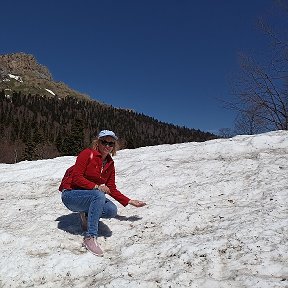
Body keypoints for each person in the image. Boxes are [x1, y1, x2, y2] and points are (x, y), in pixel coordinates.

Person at [59, 130, 146, 256]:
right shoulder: (87, 154)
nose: (107, 146)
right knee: (98, 194)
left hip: (89, 196)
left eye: (111, 143)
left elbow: (111, 188)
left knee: (111, 210)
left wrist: (129, 201)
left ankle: (87, 215)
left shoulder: (110, 164)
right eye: (104, 142)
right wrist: (96, 186)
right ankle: (90, 237)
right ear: (98, 142)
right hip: (71, 195)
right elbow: (77, 177)